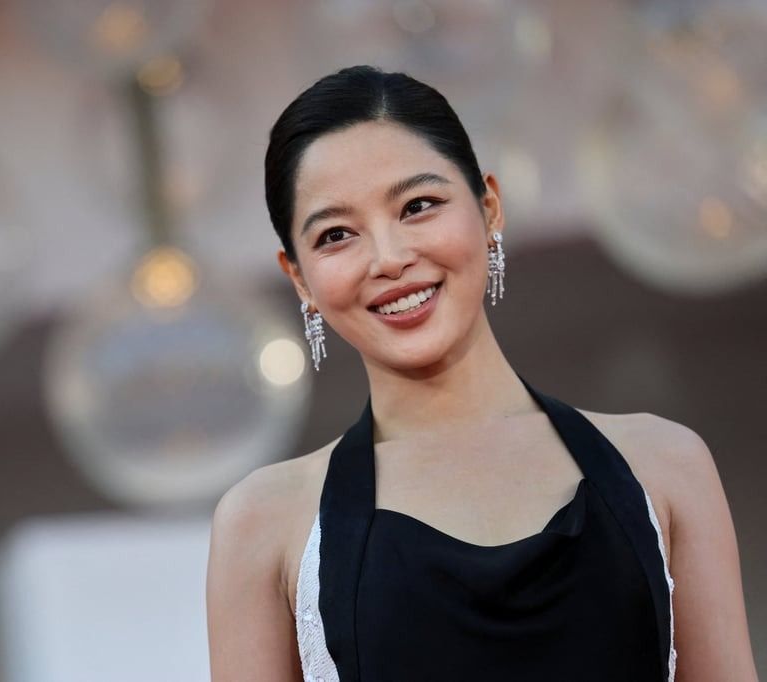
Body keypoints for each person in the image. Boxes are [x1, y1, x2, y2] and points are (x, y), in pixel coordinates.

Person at [206, 65, 758, 681]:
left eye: (418, 206)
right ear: (300, 278)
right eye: (337, 234)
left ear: (488, 207)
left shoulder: (664, 465)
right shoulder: (265, 522)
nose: (389, 259)